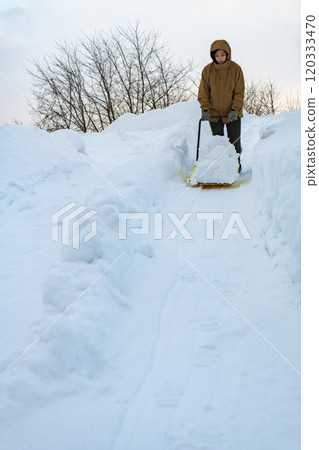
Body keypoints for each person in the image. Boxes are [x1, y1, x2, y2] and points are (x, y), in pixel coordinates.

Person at [198, 39, 245, 172]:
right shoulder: (207, 70)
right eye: (217, 55)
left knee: (234, 141)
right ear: (213, 55)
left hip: (232, 114)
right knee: (218, 143)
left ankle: (236, 165)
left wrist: (235, 109)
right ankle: (219, 168)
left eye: (222, 55)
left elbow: (239, 92)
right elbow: (203, 91)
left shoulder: (236, 69)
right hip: (214, 114)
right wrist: (205, 109)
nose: (220, 58)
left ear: (228, 54)